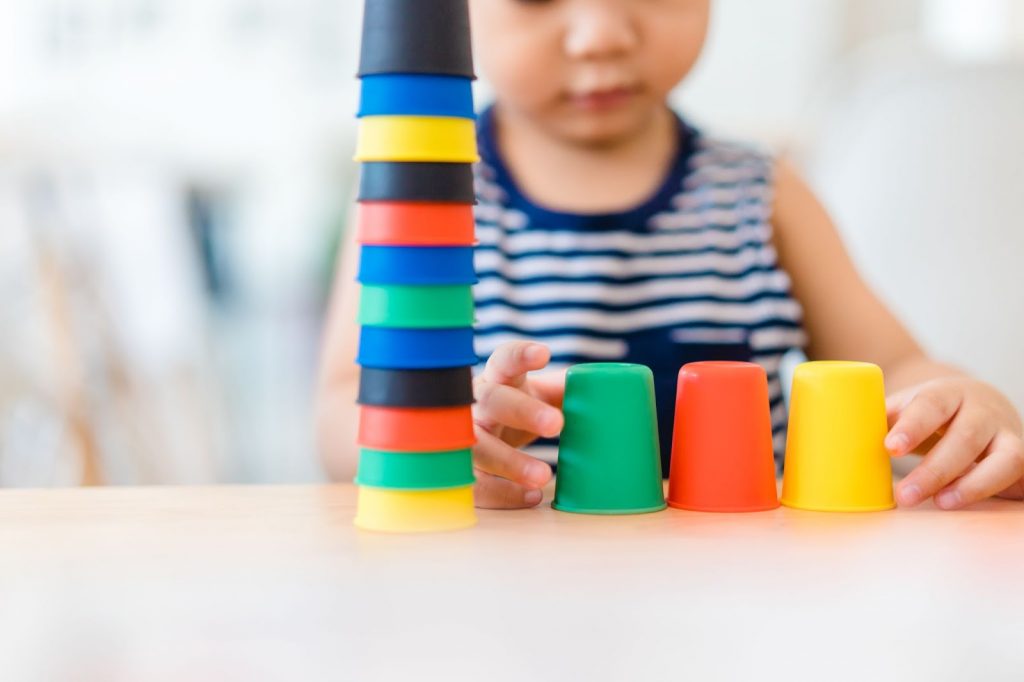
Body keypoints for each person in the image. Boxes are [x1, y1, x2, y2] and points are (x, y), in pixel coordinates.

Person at [317, 0, 1023, 511]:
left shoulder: (765, 192)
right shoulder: (415, 190)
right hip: (511, 595)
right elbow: (339, 410)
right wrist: (432, 429)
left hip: (743, 587)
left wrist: (963, 405)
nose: (601, 33)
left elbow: (893, 369)